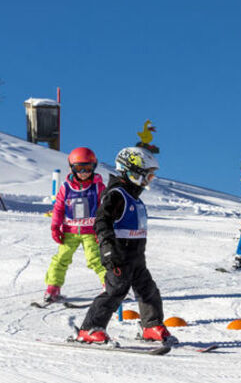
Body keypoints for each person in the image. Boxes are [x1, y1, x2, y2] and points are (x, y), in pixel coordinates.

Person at [76, 147, 171, 344]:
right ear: (133, 172)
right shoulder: (116, 194)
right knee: (115, 291)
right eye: (148, 175)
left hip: (136, 256)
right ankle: (90, 328)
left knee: (148, 290)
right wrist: (108, 250)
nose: (150, 180)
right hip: (118, 254)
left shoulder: (134, 196)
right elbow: (102, 222)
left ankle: (151, 325)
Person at [44, 147, 107, 302]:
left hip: (91, 232)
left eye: (88, 168)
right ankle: (53, 288)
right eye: (79, 168)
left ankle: (110, 286)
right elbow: (58, 208)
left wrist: (103, 230)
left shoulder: (98, 187)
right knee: (61, 259)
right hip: (69, 231)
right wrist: (55, 227)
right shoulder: (66, 187)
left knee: (96, 259)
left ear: (94, 167)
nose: (84, 172)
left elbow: (106, 209)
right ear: (72, 168)